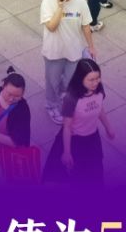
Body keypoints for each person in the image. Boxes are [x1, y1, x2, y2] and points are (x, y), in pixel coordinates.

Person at [43, 56, 115, 184]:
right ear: (80, 79)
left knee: (94, 176)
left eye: (97, 78)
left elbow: (100, 108)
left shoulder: (99, 90)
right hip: (75, 140)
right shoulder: (71, 98)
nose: (95, 83)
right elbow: (67, 126)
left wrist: (108, 127)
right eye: (91, 80)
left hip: (92, 138)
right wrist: (67, 152)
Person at [40, 0, 95, 122]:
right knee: (52, 82)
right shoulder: (48, 0)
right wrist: (60, 7)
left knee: (70, 80)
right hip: (54, 51)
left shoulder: (80, 0)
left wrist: (91, 46)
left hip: (74, 50)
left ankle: (64, 99)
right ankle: (51, 105)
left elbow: (85, 25)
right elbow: (51, 27)